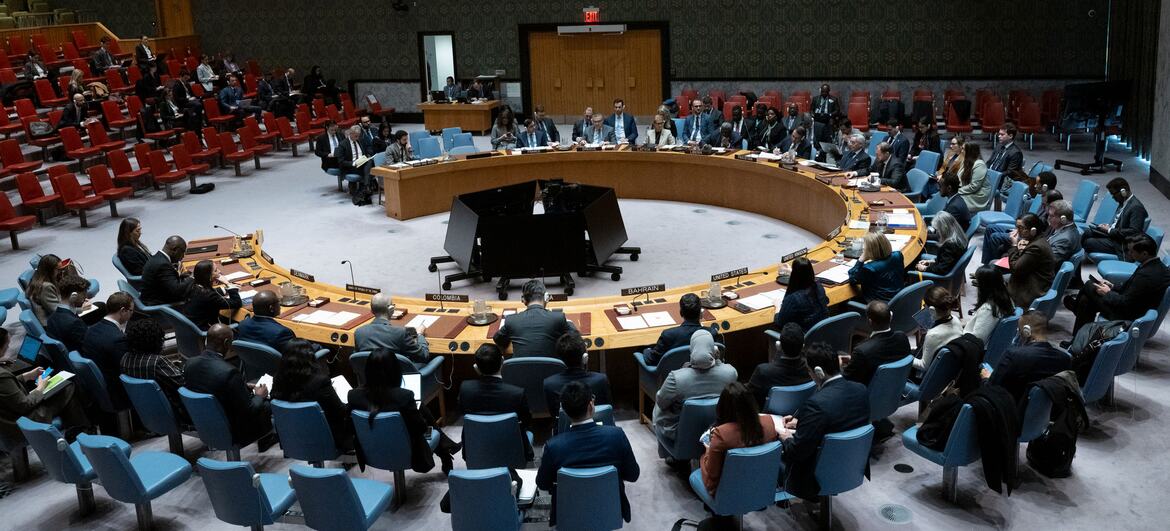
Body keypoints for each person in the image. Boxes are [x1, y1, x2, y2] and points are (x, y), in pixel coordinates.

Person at [537, 381, 640, 526]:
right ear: (591, 406)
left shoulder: (553, 446)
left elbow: (542, 483)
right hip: (609, 511)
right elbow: (633, 475)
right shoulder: (616, 436)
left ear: (564, 411)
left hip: (568, 516)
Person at [778, 343, 870, 501]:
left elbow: (797, 452)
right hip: (853, 464)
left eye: (809, 371)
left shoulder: (816, 405)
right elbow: (839, 420)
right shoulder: (861, 390)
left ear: (818, 372)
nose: (809, 374)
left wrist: (784, 436)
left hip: (815, 475)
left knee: (773, 452)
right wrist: (803, 422)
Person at [349, 348, 460, 473]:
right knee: (422, 413)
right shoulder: (403, 396)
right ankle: (445, 450)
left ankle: (445, 448)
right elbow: (421, 428)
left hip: (371, 448)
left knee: (420, 407)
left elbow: (351, 427)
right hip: (406, 449)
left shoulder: (353, 395)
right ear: (395, 370)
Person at [184, 324, 276, 450]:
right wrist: (259, 396)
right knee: (269, 398)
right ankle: (271, 438)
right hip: (234, 430)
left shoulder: (189, 363)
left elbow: (213, 387)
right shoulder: (229, 372)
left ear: (207, 340)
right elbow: (250, 411)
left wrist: (242, 386)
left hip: (204, 422)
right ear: (227, 343)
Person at [0, 328, 91, 444]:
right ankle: (80, 433)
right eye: (7, 344)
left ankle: (77, 432)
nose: (8, 347)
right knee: (67, 387)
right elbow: (24, 405)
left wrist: (26, 376)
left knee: (62, 387)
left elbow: (6, 386)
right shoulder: (2, 375)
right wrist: (40, 388)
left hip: (14, 411)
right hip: (23, 420)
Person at [1066, 234, 1170, 333]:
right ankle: (1076, 340)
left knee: (1089, 284)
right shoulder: (1156, 266)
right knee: (1086, 301)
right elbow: (1133, 288)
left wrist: (1107, 293)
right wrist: (1112, 286)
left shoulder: (1146, 275)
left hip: (1125, 315)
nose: (1129, 254)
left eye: (1132, 252)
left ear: (1144, 253)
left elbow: (1125, 303)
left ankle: (1075, 306)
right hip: (1130, 305)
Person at [653, 330, 738, 449]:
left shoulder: (676, 378)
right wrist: (718, 360)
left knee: (659, 398)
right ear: (714, 350)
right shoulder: (731, 373)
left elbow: (661, 403)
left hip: (681, 433)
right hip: (718, 430)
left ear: (691, 350)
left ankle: (669, 455)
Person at [699, 381, 780, 498]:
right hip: (759, 484)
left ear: (722, 406)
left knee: (702, 458)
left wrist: (707, 451)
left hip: (725, 490)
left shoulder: (721, 434)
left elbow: (713, 474)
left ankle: (716, 511)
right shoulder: (769, 422)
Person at [272, 339, 351, 450]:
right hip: (324, 436)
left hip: (292, 436)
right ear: (310, 357)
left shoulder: (278, 379)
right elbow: (340, 411)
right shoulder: (320, 382)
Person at [458, 344, 533, 459]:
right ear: (503, 361)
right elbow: (527, 422)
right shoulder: (516, 393)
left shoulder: (465, 389)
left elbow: (461, 411)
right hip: (512, 451)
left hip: (475, 450)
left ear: (476, 367)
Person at [985, 311, 1069, 402]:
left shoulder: (1013, 355)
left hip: (1008, 409)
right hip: (1042, 413)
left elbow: (992, 388)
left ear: (1026, 331)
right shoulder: (1065, 359)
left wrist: (986, 378)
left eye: (1019, 330)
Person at [120, 318, 186, 416]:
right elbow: (183, 383)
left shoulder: (125, 358)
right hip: (172, 409)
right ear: (155, 341)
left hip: (144, 410)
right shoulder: (157, 362)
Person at [493, 280, 575, 357]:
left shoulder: (511, 320)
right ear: (546, 297)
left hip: (520, 371)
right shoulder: (558, 318)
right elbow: (575, 337)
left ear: (523, 300)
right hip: (552, 371)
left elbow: (498, 339)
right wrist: (569, 322)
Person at [81, 292, 134, 407]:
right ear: (123, 311)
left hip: (97, 388)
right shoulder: (117, 339)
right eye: (131, 311)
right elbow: (127, 369)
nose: (131, 315)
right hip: (117, 392)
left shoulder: (90, 329)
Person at [843, 301, 911, 385]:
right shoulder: (902, 337)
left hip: (869, 392)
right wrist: (855, 360)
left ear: (870, 321)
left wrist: (840, 367)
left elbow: (847, 379)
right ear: (891, 317)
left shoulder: (862, 350)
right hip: (897, 385)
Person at [543, 331, 611, 416]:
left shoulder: (549, 384)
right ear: (585, 357)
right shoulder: (601, 380)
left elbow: (554, 415)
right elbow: (606, 410)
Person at [1080, 177, 1148, 260]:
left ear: (1123, 191)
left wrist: (1109, 230)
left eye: (1113, 194)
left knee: (1089, 242)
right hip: (1114, 236)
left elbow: (1134, 232)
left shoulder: (1136, 208)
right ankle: (1080, 267)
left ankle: (1088, 270)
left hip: (1121, 244)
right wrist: (1109, 226)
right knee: (1087, 232)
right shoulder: (1123, 202)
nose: (1112, 197)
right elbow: (1120, 222)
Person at [354, 293, 429, 366]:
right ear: (391, 309)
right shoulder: (401, 333)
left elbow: (357, 359)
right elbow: (424, 356)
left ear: (372, 310)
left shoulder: (359, 332)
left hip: (369, 377)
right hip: (397, 377)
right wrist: (420, 334)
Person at [747, 323, 812, 407]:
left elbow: (748, 398)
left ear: (779, 345)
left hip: (772, 415)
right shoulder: (811, 367)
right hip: (801, 411)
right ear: (803, 347)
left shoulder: (763, 371)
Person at [1006, 213, 1056, 309]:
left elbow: (1015, 269)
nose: (1017, 231)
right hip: (1033, 279)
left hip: (1032, 289)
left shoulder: (1036, 247)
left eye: (1021, 228)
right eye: (1017, 227)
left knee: (993, 280)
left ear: (1033, 230)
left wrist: (1014, 246)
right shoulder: (1039, 240)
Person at [641, 293, 708, 365]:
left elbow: (652, 359)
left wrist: (646, 350)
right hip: (702, 373)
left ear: (681, 313)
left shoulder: (668, 335)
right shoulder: (711, 333)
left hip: (672, 373)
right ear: (701, 313)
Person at [181, 260, 242, 330]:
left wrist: (224, 289)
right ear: (209, 276)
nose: (219, 271)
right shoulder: (209, 296)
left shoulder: (193, 285)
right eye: (216, 270)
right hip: (208, 330)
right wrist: (228, 284)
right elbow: (236, 303)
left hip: (193, 327)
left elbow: (207, 292)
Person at [773, 257, 829, 333]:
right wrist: (792, 271)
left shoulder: (793, 298)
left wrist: (777, 307)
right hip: (824, 333)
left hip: (804, 339)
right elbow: (826, 300)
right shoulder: (818, 286)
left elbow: (779, 322)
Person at [848, 232, 905, 303]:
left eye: (865, 246)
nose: (863, 248)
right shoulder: (898, 255)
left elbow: (853, 279)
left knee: (848, 302)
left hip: (878, 308)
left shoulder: (869, 268)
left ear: (870, 250)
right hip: (899, 301)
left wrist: (861, 260)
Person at [915, 287, 963, 371]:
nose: (923, 308)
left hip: (925, 376)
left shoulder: (933, 334)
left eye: (924, 306)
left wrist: (906, 357)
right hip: (947, 368)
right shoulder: (956, 320)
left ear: (932, 310)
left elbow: (924, 366)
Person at [966, 266, 1016, 344]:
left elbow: (976, 339)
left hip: (972, 347)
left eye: (977, 282)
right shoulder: (1007, 298)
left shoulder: (988, 309)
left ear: (983, 286)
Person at [140, 235, 194, 306]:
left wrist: (181, 277)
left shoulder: (157, 257)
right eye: (182, 252)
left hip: (156, 295)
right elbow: (177, 291)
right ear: (175, 250)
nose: (183, 256)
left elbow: (165, 281)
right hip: (158, 303)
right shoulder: (163, 265)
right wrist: (192, 277)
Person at [337, 124, 376, 205]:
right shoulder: (343, 144)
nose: (357, 138)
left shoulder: (360, 140)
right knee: (369, 166)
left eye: (358, 136)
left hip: (362, 164)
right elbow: (341, 161)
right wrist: (353, 163)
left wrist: (368, 154)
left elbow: (368, 148)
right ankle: (366, 187)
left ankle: (365, 187)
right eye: (355, 136)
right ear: (350, 134)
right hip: (351, 167)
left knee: (370, 162)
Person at [955, 143, 991, 212]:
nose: (961, 151)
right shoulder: (966, 160)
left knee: (953, 201)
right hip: (968, 190)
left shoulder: (979, 164)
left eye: (963, 149)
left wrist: (957, 191)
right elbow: (959, 177)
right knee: (947, 196)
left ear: (970, 151)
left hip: (977, 196)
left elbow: (974, 187)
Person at [1045, 200, 1082, 265]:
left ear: (1063, 219)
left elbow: (1048, 262)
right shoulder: (1070, 228)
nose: (1048, 218)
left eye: (1051, 216)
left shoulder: (1065, 240)